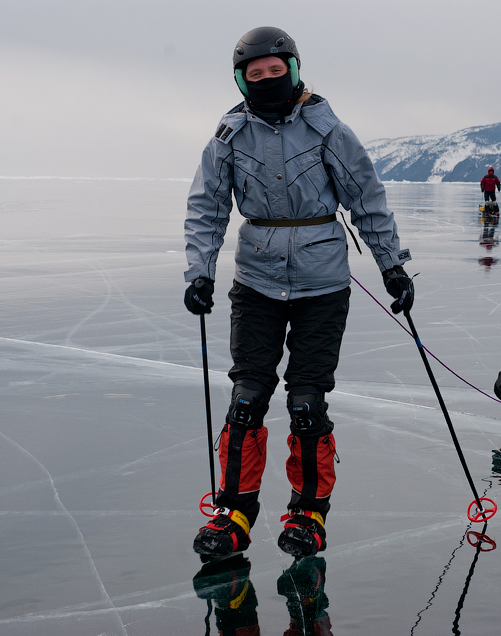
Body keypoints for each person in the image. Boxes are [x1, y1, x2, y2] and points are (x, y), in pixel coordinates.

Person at [183, 26, 413, 560]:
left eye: (275, 70)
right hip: (257, 281)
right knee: (247, 398)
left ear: (294, 68)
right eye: (254, 73)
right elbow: (207, 208)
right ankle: (234, 511)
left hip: (322, 284)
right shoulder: (229, 137)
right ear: (241, 79)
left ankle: (309, 512)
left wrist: (393, 266)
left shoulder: (328, 129)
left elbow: (366, 197)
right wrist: (200, 272)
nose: (266, 79)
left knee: (307, 401)